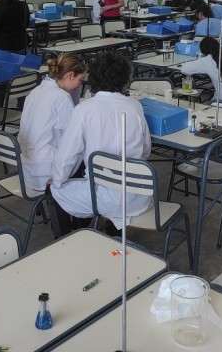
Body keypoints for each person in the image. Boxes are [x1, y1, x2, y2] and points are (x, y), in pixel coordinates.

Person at [46, 52, 151, 237]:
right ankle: (113, 231)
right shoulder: (135, 107)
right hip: (138, 197)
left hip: (102, 199)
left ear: (92, 78)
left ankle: (65, 240)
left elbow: (66, 156)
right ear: (126, 78)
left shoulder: (84, 110)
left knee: (54, 188)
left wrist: (57, 180)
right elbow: (146, 151)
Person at [19, 54, 87, 192]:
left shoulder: (36, 90)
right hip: (47, 172)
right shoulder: (61, 97)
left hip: (27, 167)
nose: (80, 85)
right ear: (70, 75)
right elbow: (73, 137)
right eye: (80, 80)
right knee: (87, 154)